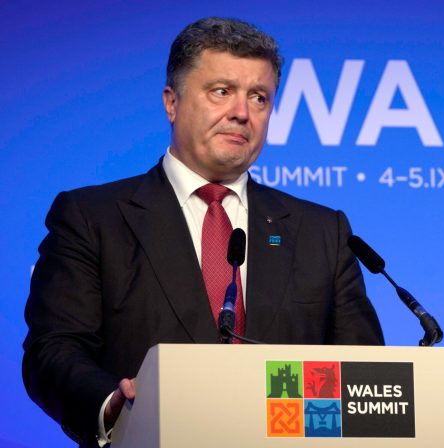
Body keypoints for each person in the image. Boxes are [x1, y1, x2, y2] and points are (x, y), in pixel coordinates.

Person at [22, 17, 384, 447]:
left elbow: (362, 376)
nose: (242, 113)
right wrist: (111, 405)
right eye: (221, 91)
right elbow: (54, 350)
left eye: (259, 97)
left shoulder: (322, 231)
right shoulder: (91, 217)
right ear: (171, 103)